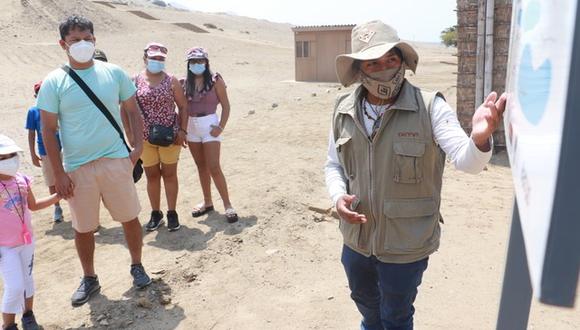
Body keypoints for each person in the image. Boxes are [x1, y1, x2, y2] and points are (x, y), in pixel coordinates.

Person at [325, 20, 506, 330]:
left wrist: (479, 138)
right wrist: (337, 196)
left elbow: (468, 162)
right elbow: (333, 164)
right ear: (360, 69)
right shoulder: (344, 108)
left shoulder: (430, 107)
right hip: (356, 241)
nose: (384, 68)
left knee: (396, 316)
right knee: (368, 310)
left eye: (390, 59)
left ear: (403, 62)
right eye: (373, 62)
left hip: (406, 246)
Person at [36, 15, 152, 307]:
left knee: (129, 217)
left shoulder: (114, 73)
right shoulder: (54, 81)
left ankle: (137, 265)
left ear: (95, 39)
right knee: (83, 227)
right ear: (63, 44)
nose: (82, 44)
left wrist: (137, 148)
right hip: (78, 168)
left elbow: (133, 110)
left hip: (116, 160)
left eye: (87, 38)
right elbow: (47, 129)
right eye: (75, 40)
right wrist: (59, 173)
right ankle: (89, 277)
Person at [0, 134, 61, 330]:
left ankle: (28, 314)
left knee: (27, 279)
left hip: (26, 241)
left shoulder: (22, 180)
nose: (9, 160)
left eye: (11, 155)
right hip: (4, 248)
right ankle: (8, 325)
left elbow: (33, 205)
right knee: (15, 286)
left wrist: (58, 196)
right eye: (2, 157)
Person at [126, 42, 188, 232]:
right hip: (144, 138)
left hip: (170, 136)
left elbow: (183, 106)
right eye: (153, 58)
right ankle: (156, 213)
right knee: (152, 176)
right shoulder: (134, 80)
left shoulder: (172, 80)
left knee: (170, 175)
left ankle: (171, 212)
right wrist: (129, 133)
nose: (157, 61)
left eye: (161, 58)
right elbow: (126, 108)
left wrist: (182, 131)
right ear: (145, 58)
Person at [184, 47, 238, 223]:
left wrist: (220, 127)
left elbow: (226, 106)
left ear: (206, 62)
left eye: (200, 61)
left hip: (210, 124)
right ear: (188, 64)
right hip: (192, 126)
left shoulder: (216, 81)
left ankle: (228, 205)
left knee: (214, 166)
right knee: (201, 166)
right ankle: (207, 202)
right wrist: (183, 130)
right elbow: (181, 107)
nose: (197, 64)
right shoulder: (184, 82)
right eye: (193, 62)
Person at [24, 81, 64, 223]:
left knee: (72, 175)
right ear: (36, 95)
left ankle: (74, 204)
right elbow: (31, 133)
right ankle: (57, 207)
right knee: (51, 180)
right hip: (45, 150)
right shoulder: (33, 111)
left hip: (65, 147)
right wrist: (33, 154)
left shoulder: (58, 108)